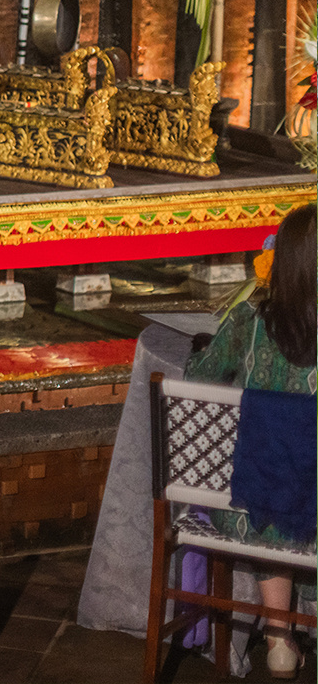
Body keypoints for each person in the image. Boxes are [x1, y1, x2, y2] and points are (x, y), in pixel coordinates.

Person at [186, 203, 315, 680]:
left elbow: (198, 381)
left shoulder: (248, 320)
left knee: (274, 480)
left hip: (249, 507)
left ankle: (279, 638)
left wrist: (201, 351)